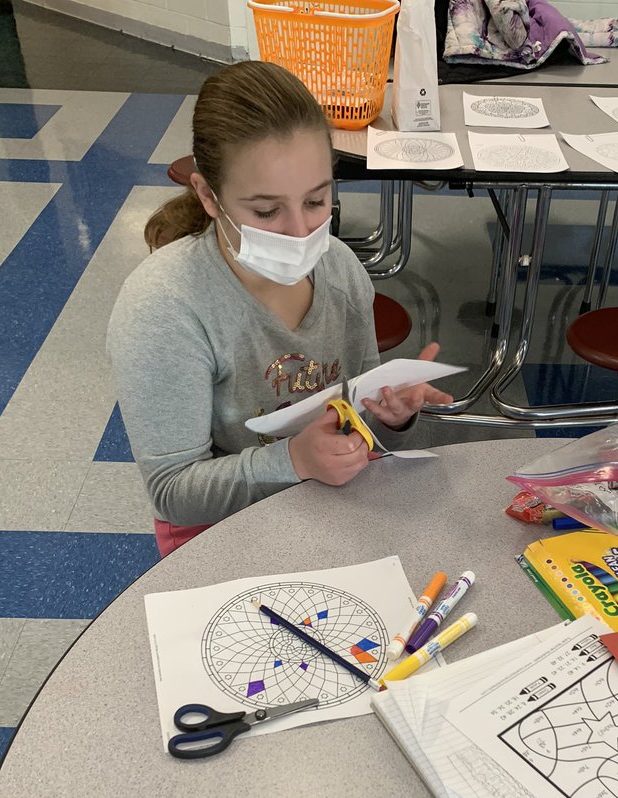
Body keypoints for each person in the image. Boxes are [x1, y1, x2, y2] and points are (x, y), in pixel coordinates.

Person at [107, 60, 451, 556]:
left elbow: (362, 427)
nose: (300, 232)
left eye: (316, 201)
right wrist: (293, 460)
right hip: (218, 529)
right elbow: (173, 493)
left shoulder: (340, 270)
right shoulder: (164, 308)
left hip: (329, 499)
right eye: (266, 211)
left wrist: (390, 418)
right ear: (208, 195)